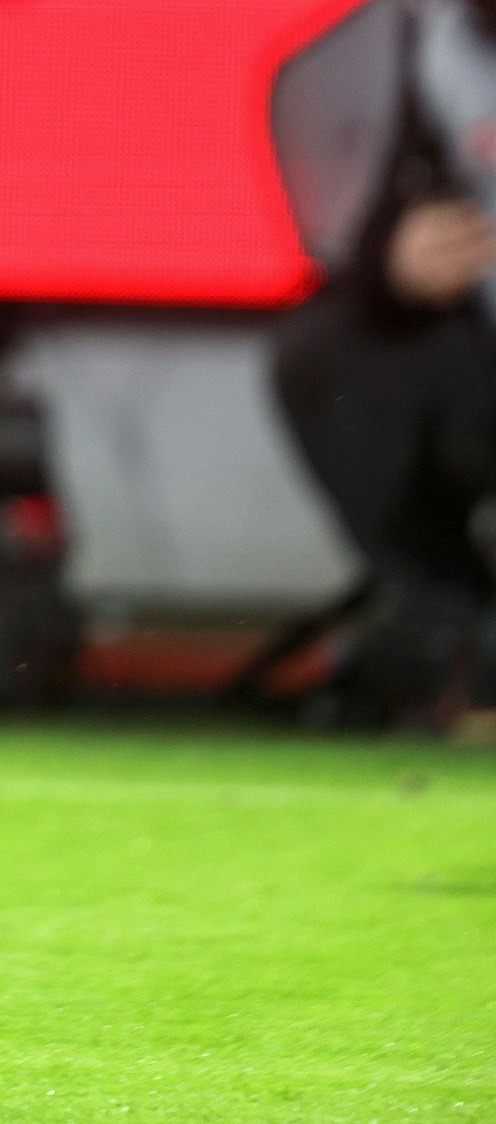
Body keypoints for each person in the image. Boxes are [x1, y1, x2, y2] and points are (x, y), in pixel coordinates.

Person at [275, 0, 496, 730]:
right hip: (475, 345)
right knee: (326, 354)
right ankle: (450, 619)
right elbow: (361, 211)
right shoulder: (431, 44)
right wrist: (394, 257)